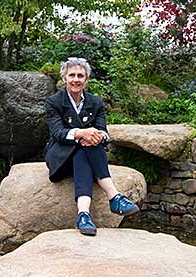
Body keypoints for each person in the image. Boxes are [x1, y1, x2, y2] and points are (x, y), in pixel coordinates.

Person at [44, 57, 139, 236]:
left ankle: (83, 214)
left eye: (80, 76)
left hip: (85, 154)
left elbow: (104, 133)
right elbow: (57, 133)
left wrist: (97, 136)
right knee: (84, 143)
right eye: (72, 75)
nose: (76, 79)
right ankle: (114, 196)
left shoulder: (96, 102)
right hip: (61, 157)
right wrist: (81, 133)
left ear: (86, 80)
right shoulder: (53, 102)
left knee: (86, 147)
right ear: (64, 78)